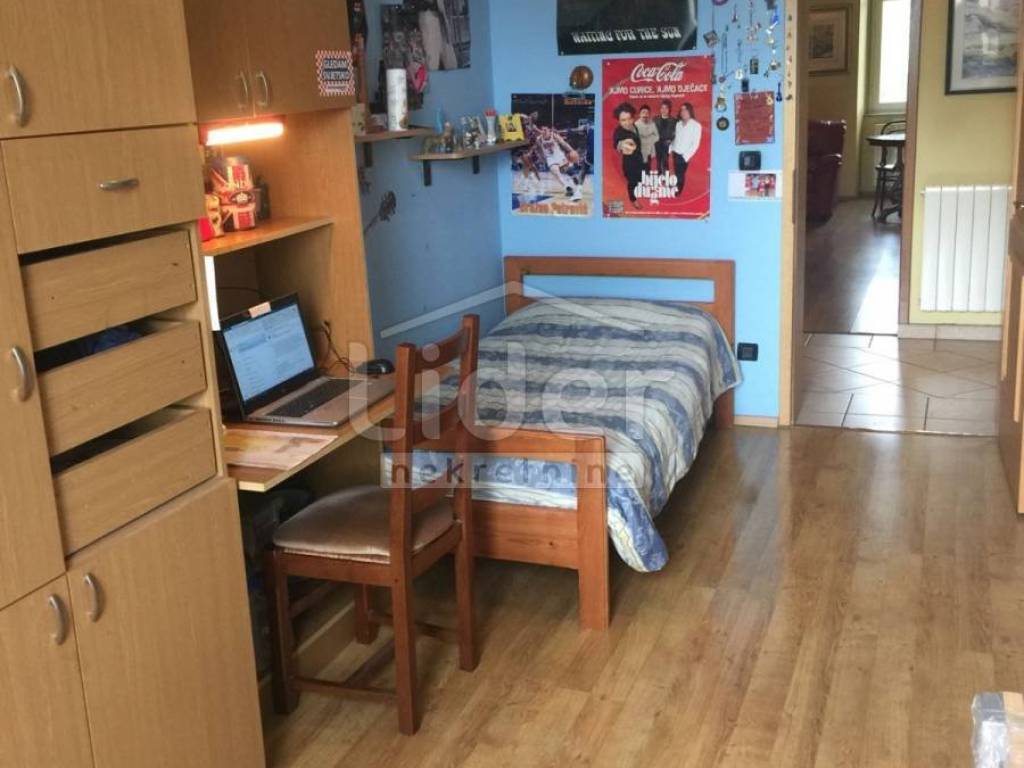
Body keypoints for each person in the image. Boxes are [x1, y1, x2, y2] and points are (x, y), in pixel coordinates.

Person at [612, 102, 644, 210]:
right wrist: (623, 146)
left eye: (629, 119)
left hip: (640, 161)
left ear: (633, 118)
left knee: (640, 180)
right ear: (619, 121)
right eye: (623, 120)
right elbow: (618, 144)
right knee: (632, 183)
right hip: (630, 165)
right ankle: (633, 200)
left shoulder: (635, 126)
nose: (627, 123)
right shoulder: (619, 132)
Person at [537, 126, 582, 201]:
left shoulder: (554, 135)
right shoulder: (539, 139)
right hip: (549, 157)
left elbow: (564, 143)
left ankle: (574, 178)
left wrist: (572, 150)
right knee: (555, 172)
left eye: (545, 129)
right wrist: (542, 157)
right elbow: (540, 149)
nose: (544, 131)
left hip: (558, 155)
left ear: (548, 130)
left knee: (567, 170)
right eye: (542, 130)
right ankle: (568, 188)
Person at [669, 102, 702, 196]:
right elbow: (675, 138)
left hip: (684, 155)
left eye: (685, 110)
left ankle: (677, 192)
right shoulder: (678, 124)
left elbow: (695, 144)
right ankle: (673, 187)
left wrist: (685, 156)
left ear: (690, 111)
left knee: (680, 174)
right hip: (675, 152)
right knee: (675, 172)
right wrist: (670, 148)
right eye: (682, 110)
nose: (683, 112)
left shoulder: (696, 125)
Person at [653, 99, 675, 174]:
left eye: (666, 108)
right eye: (662, 108)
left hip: (667, 144)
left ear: (669, 109)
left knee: (665, 161)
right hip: (657, 144)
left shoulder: (674, 121)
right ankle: (659, 176)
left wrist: (671, 141)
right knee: (658, 161)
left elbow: (676, 133)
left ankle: (666, 177)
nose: (664, 110)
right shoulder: (655, 119)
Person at [635, 105, 660, 171]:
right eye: (643, 112)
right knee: (639, 170)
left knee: (647, 169)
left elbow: (657, 136)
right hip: (639, 152)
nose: (645, 115)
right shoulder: (636, 125)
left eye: (647, 113)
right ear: (639, 114)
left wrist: (650, 140)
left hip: (649, 150)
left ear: (649, 114)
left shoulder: (652, 123)